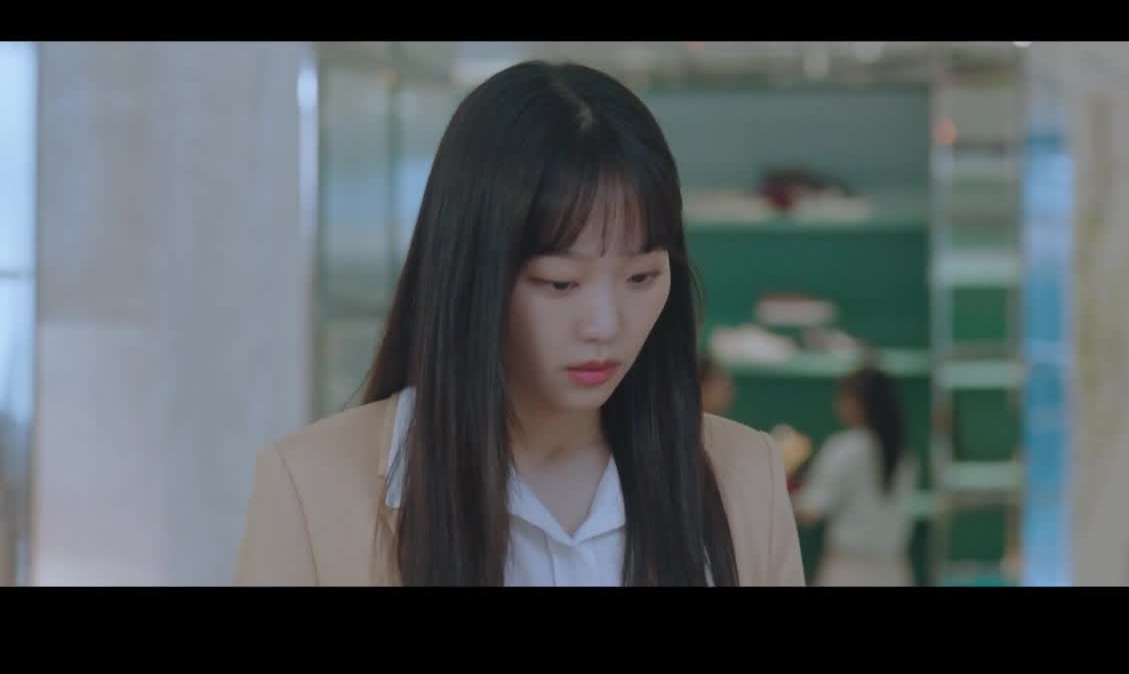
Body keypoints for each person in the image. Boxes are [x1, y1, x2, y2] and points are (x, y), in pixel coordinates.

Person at [234, 61, 805, 587]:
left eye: (641, 277)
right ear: (472, 276)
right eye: (560, 283)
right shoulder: (312, 487)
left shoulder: (742, 475)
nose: (605, 325)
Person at [792, 365, 915, 586]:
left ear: (857, 403)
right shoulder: (904, 456)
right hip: (894, 570)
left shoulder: (846, 448)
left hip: (848, 571)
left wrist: (784, 493)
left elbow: (811, 511)